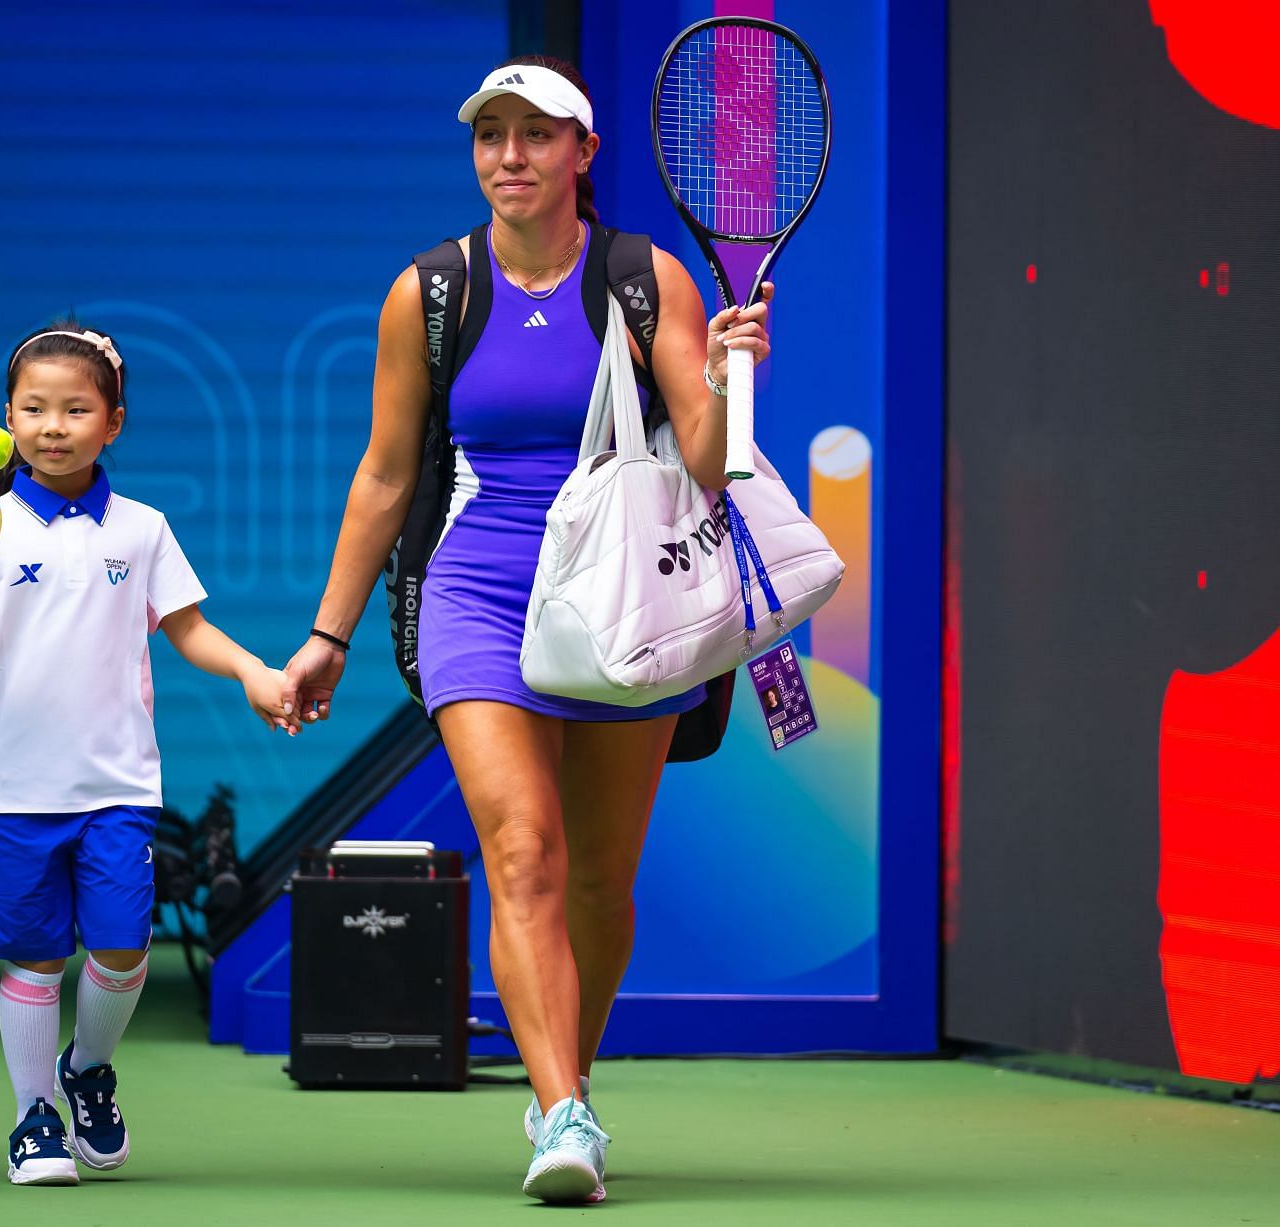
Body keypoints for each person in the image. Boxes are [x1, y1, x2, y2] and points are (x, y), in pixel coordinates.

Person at [280, 57, 775, 1203]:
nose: (511, 156)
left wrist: (729, 377)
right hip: (481, 587)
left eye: (537, 135)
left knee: (601, 882)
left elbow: (707, 462)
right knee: (524, 853)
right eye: (491, 135)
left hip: (623, 596)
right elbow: (387, 473)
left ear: (581, 154)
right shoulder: (432, 291)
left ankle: (570, 1083)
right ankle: (559, 1111)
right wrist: (330, 635)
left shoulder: (646, 278)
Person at [0, 322, 298, 1185]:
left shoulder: (142, 529)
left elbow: (189, 628)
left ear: (114, 421)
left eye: (75, 408)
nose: (52, 425)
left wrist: (255, 671)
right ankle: (34, 1120)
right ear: (8, 419)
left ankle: (88, 1067)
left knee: (120, 952)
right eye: (33, 408)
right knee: (35, 957)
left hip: (116, 785)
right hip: (10, 788)